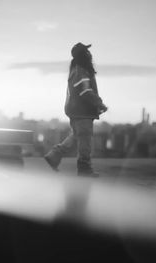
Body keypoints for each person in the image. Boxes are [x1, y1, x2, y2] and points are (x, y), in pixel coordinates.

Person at [44, 42, 108, 177]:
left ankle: (54, 155)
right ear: (83, 56)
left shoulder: (76, 70)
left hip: (76, 111)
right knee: (85, 139)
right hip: (82, 112)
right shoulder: (82, 71)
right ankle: (84, 168)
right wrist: (99, 103)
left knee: (76, 136)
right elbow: (85, 92)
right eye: (86, 52)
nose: (89, 55)